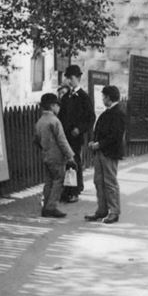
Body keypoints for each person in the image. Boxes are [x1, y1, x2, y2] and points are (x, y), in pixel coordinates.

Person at [85, 85, 126, 224]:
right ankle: (102, 209)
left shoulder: (118, 113)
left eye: (103, 96)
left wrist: (99, 144)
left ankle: (114, 212)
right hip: (101, 151)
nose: (102, 99)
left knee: (110, 182)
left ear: (108, 97)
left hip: (109, 152)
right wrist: (94, 141)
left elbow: (115, 135)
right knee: (99, 181)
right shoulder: (109, 112)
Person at [33, 93, 77, 218]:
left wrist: (44, 149)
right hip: (57, 157)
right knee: (58, 180)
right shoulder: (55, 121)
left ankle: (45, 206)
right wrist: (70, 156)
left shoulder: (40, 122)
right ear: (53, 106)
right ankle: (51, 207)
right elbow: (62, 141)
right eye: (58, 105)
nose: (59, 108)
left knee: (48, 182)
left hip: (46, 155)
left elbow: (36, 140)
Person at [57, 64, 95, 203]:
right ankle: (67, 190)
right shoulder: (66, 97)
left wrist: (80, 129)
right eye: (67, 78)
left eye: (71, 78)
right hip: (65, 135)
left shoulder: (84, 97)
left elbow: (91, 117)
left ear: (78, 78)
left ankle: (75, 191)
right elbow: (61, 116)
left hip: (76, 136)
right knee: (66, 163)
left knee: (74, 162)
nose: (69, 81)